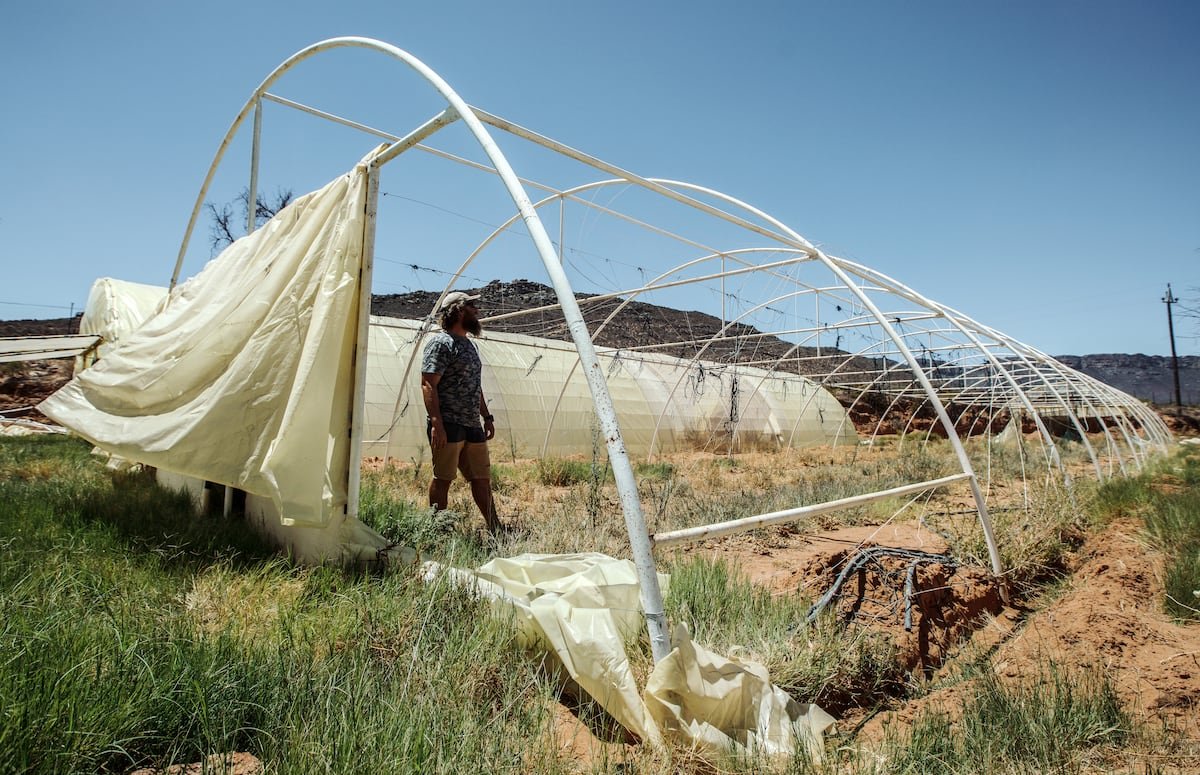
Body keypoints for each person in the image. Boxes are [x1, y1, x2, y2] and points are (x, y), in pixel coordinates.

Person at [420, 290, 504, 533]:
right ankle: (437, 530)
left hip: (471, 424)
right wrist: (437, 423)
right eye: (471, 306)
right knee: (443, 478)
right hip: (449, 423)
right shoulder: (440, 343)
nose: (477, 311)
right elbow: (428, 383)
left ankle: (495, 527)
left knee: (482, 478)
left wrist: (486, 417)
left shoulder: (469, 345)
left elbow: (474, 386)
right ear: (457, 310)